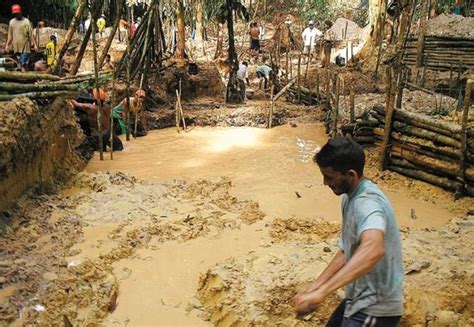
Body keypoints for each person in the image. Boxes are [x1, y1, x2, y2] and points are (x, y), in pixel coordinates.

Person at [293, 137, 404, 326]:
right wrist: (316, 286)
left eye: (329, 177)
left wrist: (323, 292)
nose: (325, 183)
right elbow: (347, 250)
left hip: (375, 307)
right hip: (357, 297)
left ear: (351, 175)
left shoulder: (367, 203)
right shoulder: (349, 196)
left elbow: (374, 248)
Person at [5, 4, 38, 73]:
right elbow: (10, 35)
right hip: (16, 48)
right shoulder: (12, 22)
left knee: (22, 63)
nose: (16, 15)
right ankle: (26, 76)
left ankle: (24, 77)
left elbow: (31, 34)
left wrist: (34, 45)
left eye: (17, 13)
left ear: (21, 12)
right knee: (22, 63)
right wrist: (7, 45)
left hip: (25, 47)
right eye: (15, 14)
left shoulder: (26, 21)